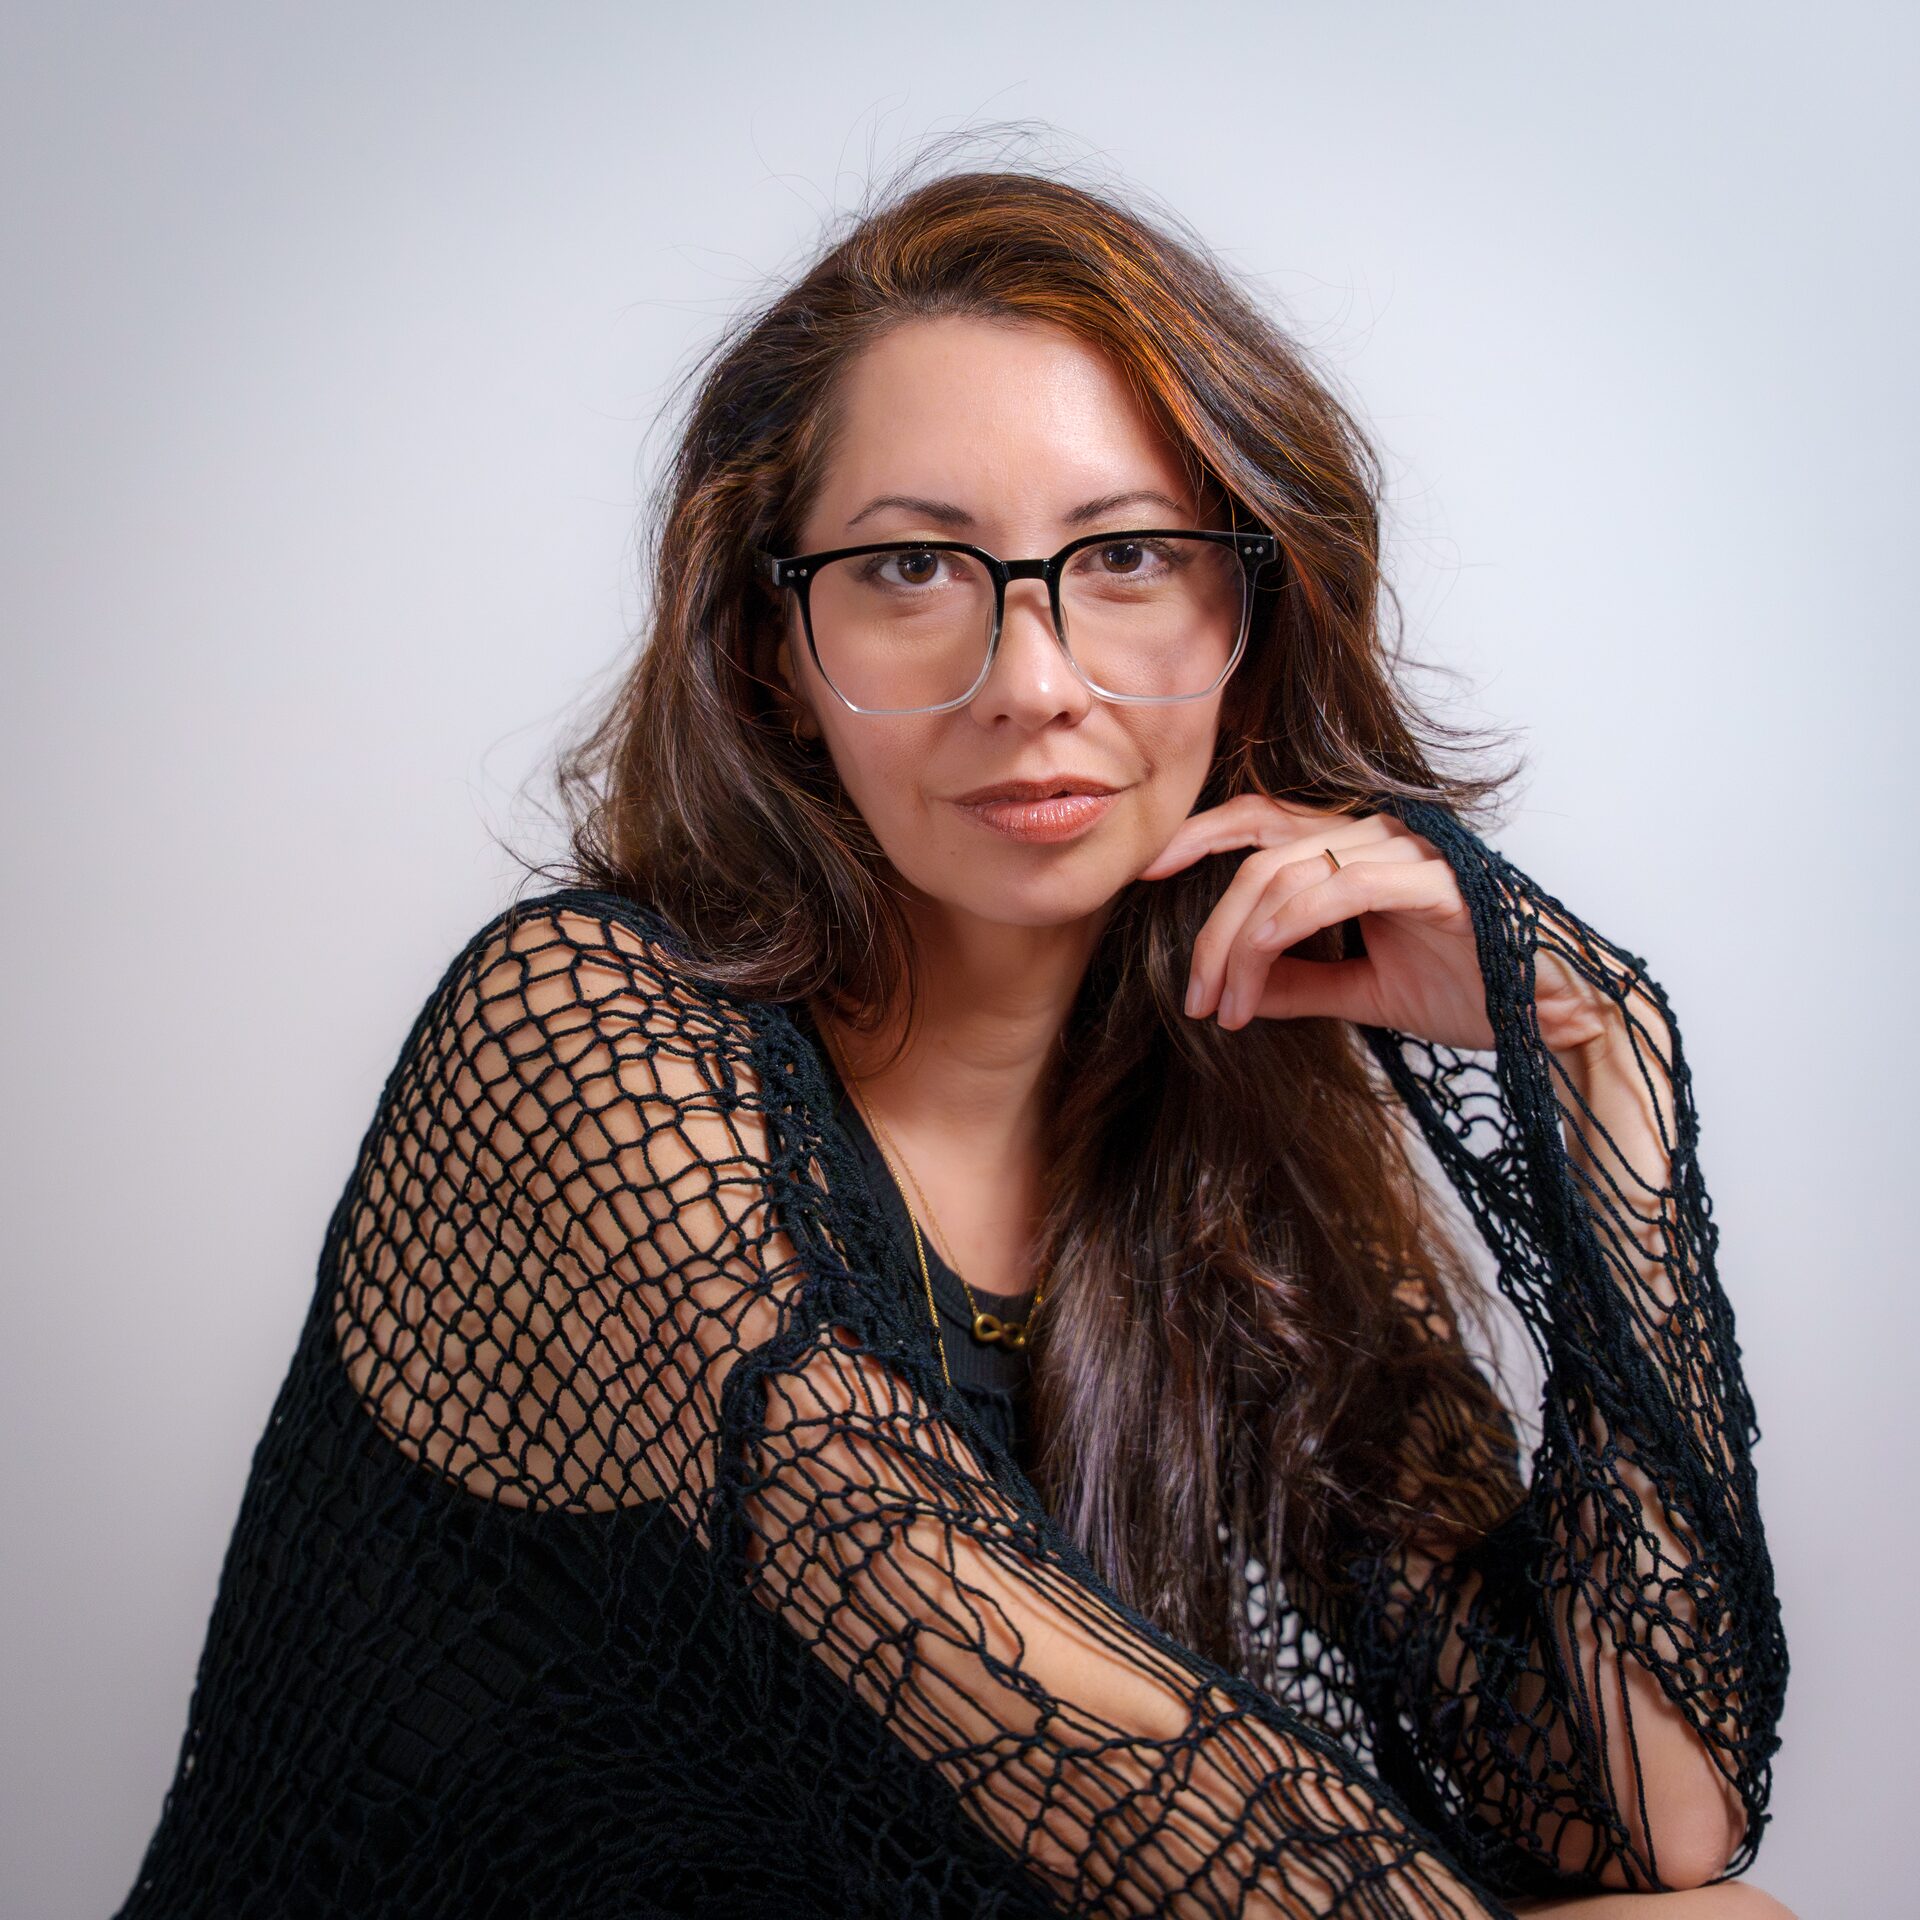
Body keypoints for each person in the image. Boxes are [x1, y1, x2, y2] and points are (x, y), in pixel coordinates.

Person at [115, 162, 1791, 1919]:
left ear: (1253, 612)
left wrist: (1599, 1063)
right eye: (914, 565)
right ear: (775, 650)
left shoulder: (1218, 1126)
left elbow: (1639, 1814)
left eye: (1127, 556)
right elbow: (1136, 1798)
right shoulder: (583, 1050)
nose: (1034, 679)